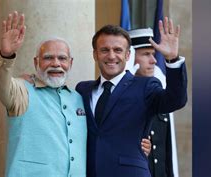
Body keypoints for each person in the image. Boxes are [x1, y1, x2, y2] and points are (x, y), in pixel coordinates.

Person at [0, 11, 151, 177]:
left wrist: (137, 144)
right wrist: (6, 55)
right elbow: (0, 82)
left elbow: (104, 132)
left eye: (62, 58)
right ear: (36, 62)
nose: (56, 63)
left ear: (70, 63)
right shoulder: (22, 91)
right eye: (48, 58)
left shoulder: (79, 97)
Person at [75, 17, 187, 177]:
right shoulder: (82, 90)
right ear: (95, 54)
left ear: (128, 55)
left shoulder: (145, 86)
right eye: (104, 50)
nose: (111, 56)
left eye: (118, 50)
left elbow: (175, 100)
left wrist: (172, 60)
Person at [127, 26, 184, 177]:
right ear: (129, 56)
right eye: (146, 54)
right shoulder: (115, 96)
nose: (153, 61)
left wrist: (173, 58)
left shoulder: (159, 92)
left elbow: (167, 153)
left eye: (153, 54)